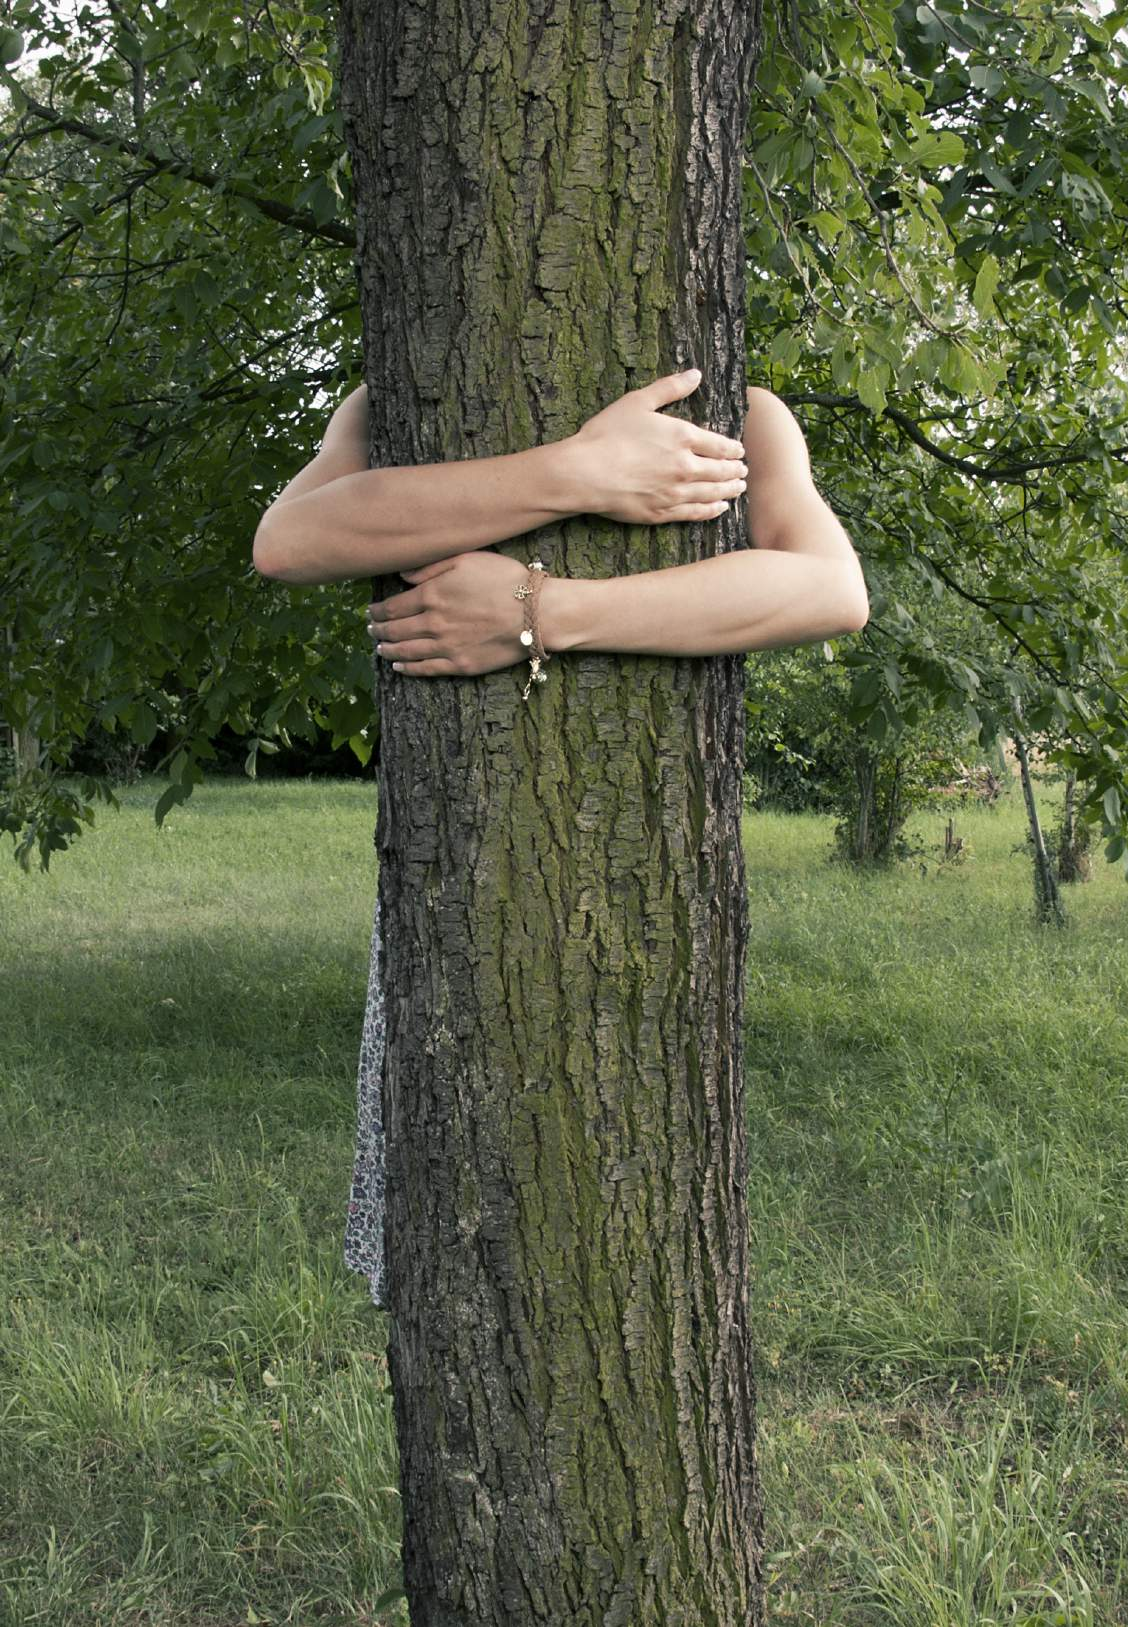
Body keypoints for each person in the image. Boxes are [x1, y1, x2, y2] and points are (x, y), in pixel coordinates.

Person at [253, 368, 870, 1308]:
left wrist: (543, 612)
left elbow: (830, 589)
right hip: (455, 871)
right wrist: (579, 472)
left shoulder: (738, 413)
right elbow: (289, 541)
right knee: (463, 1203)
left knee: (622, 1204)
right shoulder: (403, 393)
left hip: (646, 875)